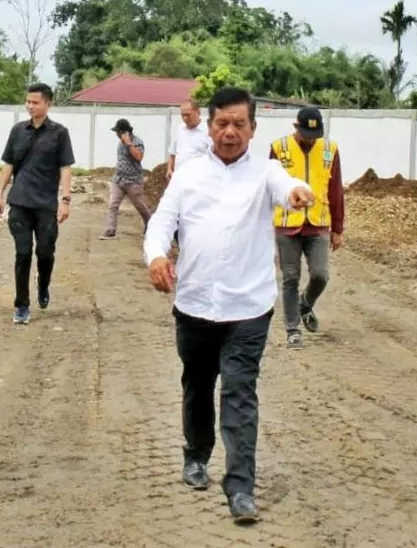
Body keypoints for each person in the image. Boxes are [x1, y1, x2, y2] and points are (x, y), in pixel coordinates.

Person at [143, 86, 314, 525]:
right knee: (197, 385)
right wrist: (157, 255)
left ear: (254, 129)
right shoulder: (189, 174)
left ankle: (240, 485)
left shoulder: (266, 172)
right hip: (195, 303)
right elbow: (162, 221)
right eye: (222, 123)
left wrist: (298, 192)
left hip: (248, 307)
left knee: (239, 392)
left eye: (240, 124)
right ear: (210, 126)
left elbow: (286, 185)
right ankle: (196, 454)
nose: (230, 132)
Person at [0, 83, 76, 324]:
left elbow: (65, 168)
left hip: (45, 205)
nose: (30, 106)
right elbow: (8, 164)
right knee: (22, 253)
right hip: (19, 202)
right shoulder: (18, 131)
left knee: (45, 253)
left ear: (48, 104)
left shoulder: (59, 133)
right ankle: (21, 305)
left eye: (35, 102)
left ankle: (43, 285)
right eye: (28, 102)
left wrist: (66, 200)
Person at [269, 106, 345, 348]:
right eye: (306, 134)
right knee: (290, 277)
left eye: (315, 135)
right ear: (296, 127)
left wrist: (338, 228)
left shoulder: (330, 150)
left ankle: (305, 303)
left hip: (318, 222)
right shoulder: (279, 148)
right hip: (286, 223)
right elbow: (268, 186)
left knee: (321, 275)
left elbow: (336, 190)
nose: (311, 139)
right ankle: (293, 329)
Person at [99, 118, 152, 240]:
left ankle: (151, 225)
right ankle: (110, 231)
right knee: (113, 204)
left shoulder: (137, 142)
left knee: (140, 206)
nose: (116, 134)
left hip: (133, 181)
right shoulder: (119, 143)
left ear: (123, 132)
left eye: (118, 132)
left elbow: (139, 157)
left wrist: (129, 144)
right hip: (119, 179)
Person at [166, 98, 212, 180]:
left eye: (188, 115)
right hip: (179, 178)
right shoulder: (179, 129)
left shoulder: (208, 131)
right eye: (182, 115)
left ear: (198, 112)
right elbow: (172, 153)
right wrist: (169, 169)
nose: (185, 118)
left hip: (199, 179)